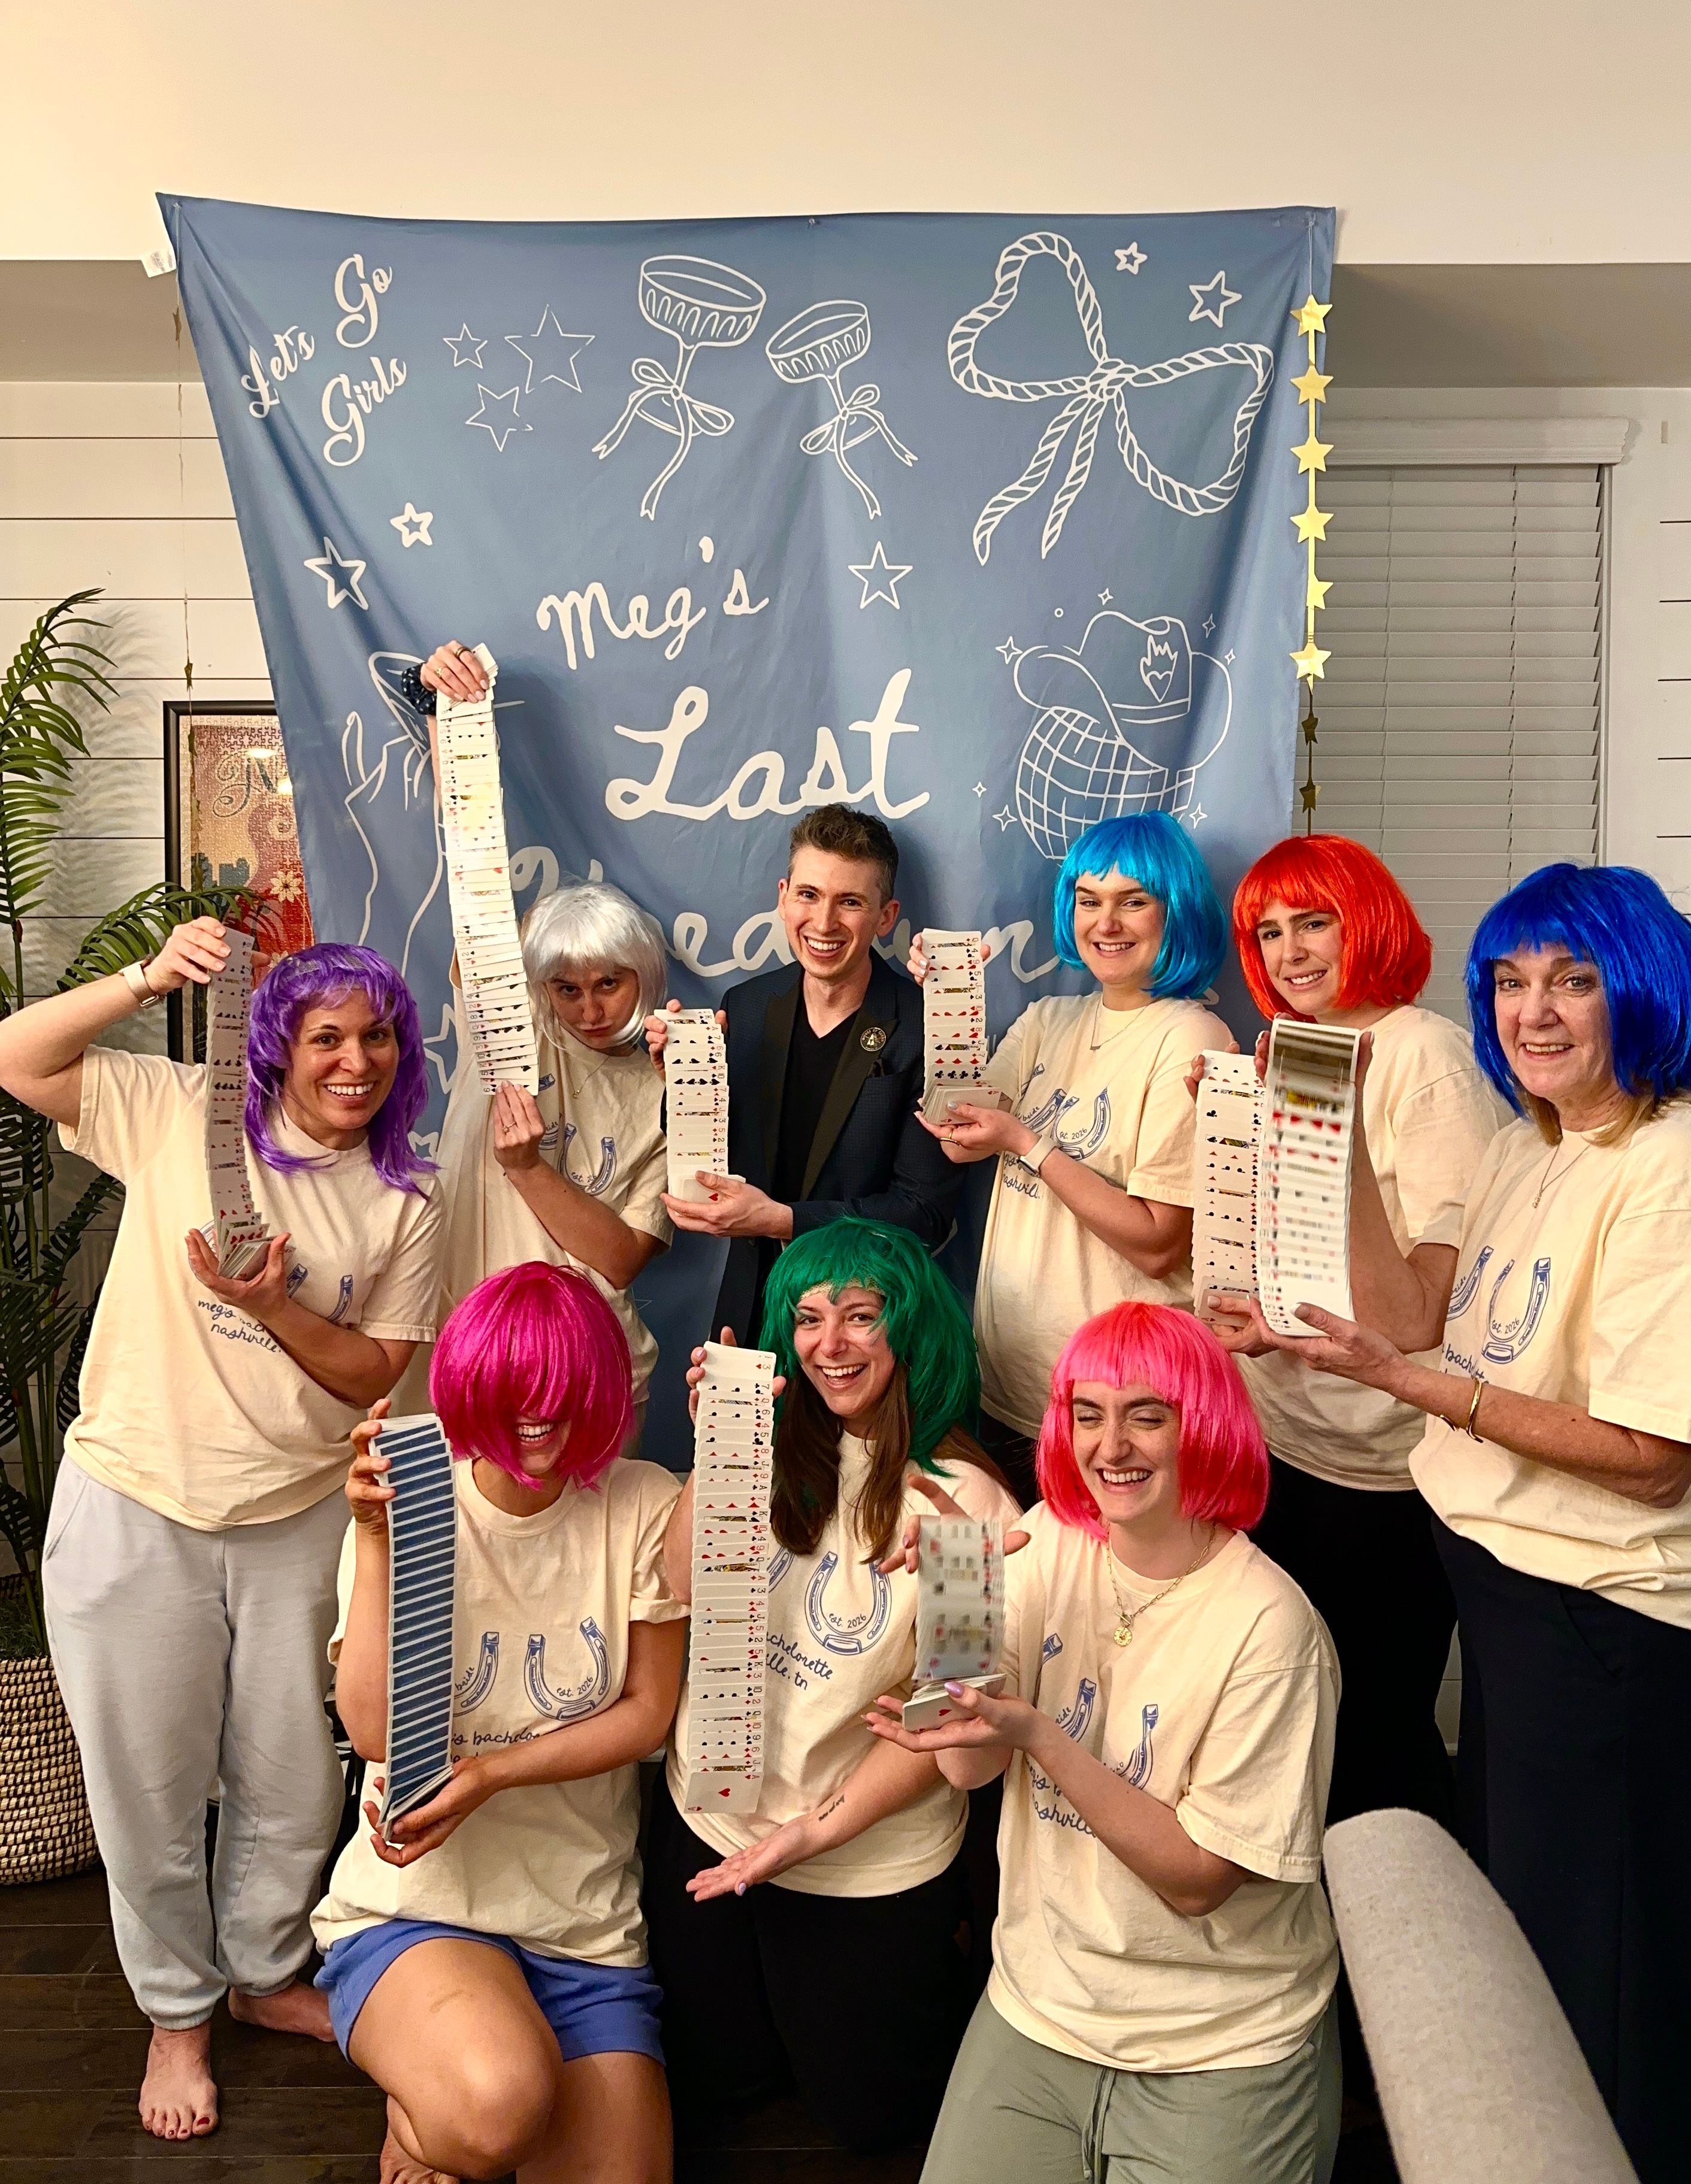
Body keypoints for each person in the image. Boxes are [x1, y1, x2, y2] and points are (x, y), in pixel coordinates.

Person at [1220, 862, 1691, 2184]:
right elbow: (1416, 1311)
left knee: (1604, 1998)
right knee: (1537, 1963)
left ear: (1645, 988)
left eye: (1574, 980)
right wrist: (1342, 1133)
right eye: (1512, 982)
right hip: (1520, 1599)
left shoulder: (1682, 1170)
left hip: (1621, 1625)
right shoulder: (1536, 1145)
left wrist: (1403, 1388)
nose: (1535, 1012)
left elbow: (1650, 1459)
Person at [9, 928, 443, 2144]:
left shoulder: (407, 1191)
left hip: (297, 1513)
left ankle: (261, 1977)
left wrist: (273, 1306)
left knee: (295, 1782)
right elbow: (16, 1054)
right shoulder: (172, 1107)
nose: (354, 1061)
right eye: (326, 1037)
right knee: (146, 1783)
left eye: (376, 1037)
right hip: (133, 1500)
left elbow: (374, 1372)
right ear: (280, 1045)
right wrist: (146, 980)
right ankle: (177, 2013)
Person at [867, 1301, 1341, 2184]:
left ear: (1200, 1426)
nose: (1110, 1446)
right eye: (1088, 1415)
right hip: (1042, 2008)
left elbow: (1200, 1882)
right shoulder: (1048, 1537)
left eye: (1145, 1415)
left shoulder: (1272, 1628)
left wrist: (1044, 1739)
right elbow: (969, 1764)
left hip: (1219, 2040)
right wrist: (954, 1597)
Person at [642, 1219, 1020, 2152]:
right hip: (711, 1820)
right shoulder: (770, 1445)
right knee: (716, 2090)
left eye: (860, 1317)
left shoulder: (967, 1502)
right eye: (808, 1319)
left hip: (864, 1864)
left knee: (875, 2125)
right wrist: (718, 1454)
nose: (830, 1344)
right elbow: (683, 1590)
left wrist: (808, 1837)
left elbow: (955, 1740)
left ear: (912, 1329)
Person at [315, 1261, 686, 2184]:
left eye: (565, 1396)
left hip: (583, 1923)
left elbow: (648, 1713)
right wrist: (370, 1540)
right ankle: (424, 2114)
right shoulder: (414, 1493)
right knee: (494, 2110)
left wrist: (488, 1776)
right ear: (472, 1382)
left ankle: (457, 2097)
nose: (540, 1419)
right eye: (516, 1391)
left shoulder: (641, 1503)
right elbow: (368, 1730)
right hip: (422, 1911)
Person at [1214, 835, 1504, 1832]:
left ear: (1365, 921)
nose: (1289, 952)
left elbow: (1420, 1310)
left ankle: (1407, 1970)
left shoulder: (1418, 1056)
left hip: (1379, 1477)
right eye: (1267, 930)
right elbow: (1308, 1270)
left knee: (1371, 1738)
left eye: (1313, 922)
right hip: (1288, 1448)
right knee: (1293, 1718)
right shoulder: (1299, 1051)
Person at [922, 812, 1233, 1506]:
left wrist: (1030, 1145)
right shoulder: (1047, 1020)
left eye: (1134, 901)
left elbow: (1158, 1243)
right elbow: (955, 1131)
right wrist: (947, 1005)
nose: (1107, 922)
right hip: (1013, 1389)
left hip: (1120, 1409)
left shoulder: (1193, 1037)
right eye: (1089, 901)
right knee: (1025, 1602)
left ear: (1173, 910)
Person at [413, 638, 673, 1420]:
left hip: (591, 1376)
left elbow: (624, 1259)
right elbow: (471, 866)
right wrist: (451, 713)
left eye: (608, 984)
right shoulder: (512, 1018)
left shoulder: (669, 1087)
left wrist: (529, 1169)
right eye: (566, 987)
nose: (589, 1008)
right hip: (460, 1351)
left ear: (643, 978)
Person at [649, 804, 965, 1344]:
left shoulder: (930, 1029)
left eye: (850, 902)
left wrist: (781, 1220)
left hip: (870, 1327)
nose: (823, 924)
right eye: (809, 895)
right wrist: (683, 1086)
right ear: (783, 896)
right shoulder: (746, 1006)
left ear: (885, 916)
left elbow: (922, 1214)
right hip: (750, 1312)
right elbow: (712, 1155)